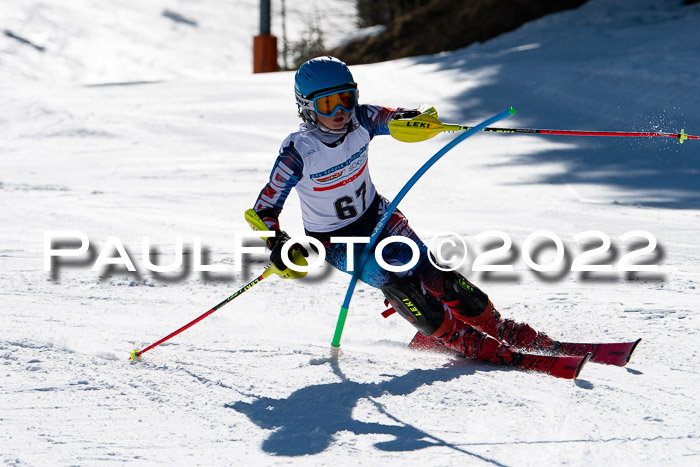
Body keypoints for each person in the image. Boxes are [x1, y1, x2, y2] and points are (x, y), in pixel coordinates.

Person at [251, 56, 560, 366]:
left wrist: (418, 120)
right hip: (337, 242)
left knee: (435, 273)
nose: (340, 112)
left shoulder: (362, 119)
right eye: (327, 104)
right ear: (306, 106)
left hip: (379, 217)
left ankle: (499, 327)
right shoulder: (299, 151)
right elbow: (264, 208)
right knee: (397, 283)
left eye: (346, 99)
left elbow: (395, 117)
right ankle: (457, 338)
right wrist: (277, 243)